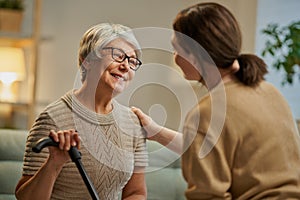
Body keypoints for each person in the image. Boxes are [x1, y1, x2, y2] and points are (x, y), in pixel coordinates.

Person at [132, 2, 300, 199]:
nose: (175, 58)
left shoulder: (207, 113)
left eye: (177, 50)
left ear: (196, 55)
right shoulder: (269, 92)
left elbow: (208, 195)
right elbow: (210, 148)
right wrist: (156, 131)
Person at [15, 23, 148, 200]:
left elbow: (136, 193)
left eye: (132, 61)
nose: (126, 66)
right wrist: (54, 163)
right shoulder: (53, 118)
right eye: (118, 56)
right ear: (88, 61)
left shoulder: (132, 122)